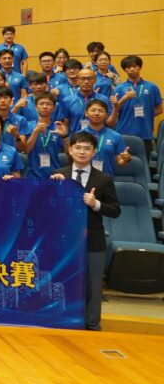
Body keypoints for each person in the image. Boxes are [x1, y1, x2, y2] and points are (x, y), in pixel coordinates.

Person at [50, 132, 121, 331]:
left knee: (93, 285)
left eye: (87, 148)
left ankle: (91, 324)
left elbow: (115, 210)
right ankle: (60, 319)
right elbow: (47, 207)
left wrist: (96, 204)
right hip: (64, 240)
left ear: (94, 152)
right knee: (62, 281)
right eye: (78, 148)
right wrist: (53, 189)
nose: (82, 152)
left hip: (93, 240)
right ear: (70, 150)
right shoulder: (58, 175)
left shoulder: (104, 179)